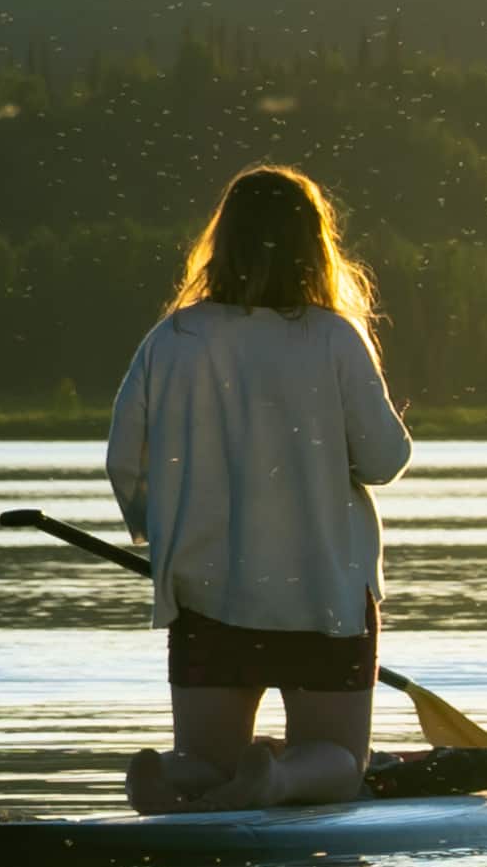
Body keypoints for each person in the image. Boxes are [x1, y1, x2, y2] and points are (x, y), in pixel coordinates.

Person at [107, 163, 414, 813]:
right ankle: (278, 778)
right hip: (324, 596)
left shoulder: (173, 338)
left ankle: (171, 775)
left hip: (205, 593)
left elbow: (124, 461)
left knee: (207, 759)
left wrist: (164, 536)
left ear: (223, 241)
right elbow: (385, 459)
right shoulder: (333, 336)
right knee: (337, 759)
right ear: (314, 245)